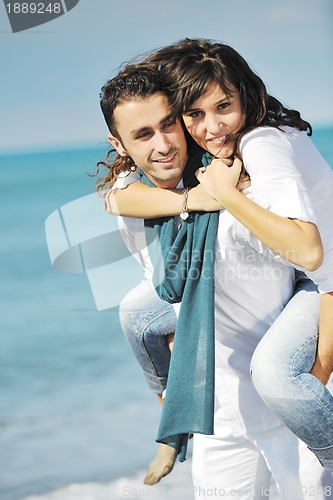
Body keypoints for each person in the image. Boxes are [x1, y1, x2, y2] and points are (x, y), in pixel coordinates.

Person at [96, 61, 333, 499]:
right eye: (143, 134)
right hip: (218, 411)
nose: (164, 144)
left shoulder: (240, 177)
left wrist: (318, 371)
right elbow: (115, 198)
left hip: (288, 400)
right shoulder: (136, 202)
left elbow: (316, 268)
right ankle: (170, 419)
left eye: (170, 124)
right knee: (136, 315)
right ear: (120, 144)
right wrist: (191, 199)